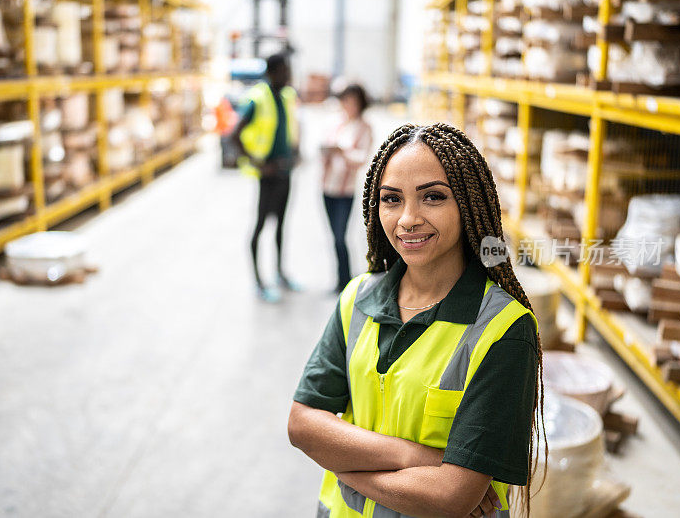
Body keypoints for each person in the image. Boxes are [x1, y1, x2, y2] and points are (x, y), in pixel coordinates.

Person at [288, 124, 545, 518]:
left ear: (469, 205)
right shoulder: (357, 299)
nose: (408, 218)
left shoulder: (505, 329)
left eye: (433, 197)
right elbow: (303, 425)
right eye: (391, 199)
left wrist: (340, 462)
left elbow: (450, 497)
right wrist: (416, 456)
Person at [231, 53, 300, 303]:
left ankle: (280, 273)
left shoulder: (286, 96)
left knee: (281, 224)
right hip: (268, 176)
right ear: (272, 72)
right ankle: (259, 282)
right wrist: (258, 164)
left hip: (285, 172)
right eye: (283, 71)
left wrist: (296, 152)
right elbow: (234, 134)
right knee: (260, 227)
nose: (288, 75)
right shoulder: (257, 98)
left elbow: (290, 129)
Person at [321, 84, 372, 292]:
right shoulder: (337, 123)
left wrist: (341, 152)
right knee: (334, 236)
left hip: (345, 189)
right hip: (327, 186)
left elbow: (361, 158)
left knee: (341, 236)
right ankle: (340, 278)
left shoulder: (364, 128)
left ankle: (346, 281)